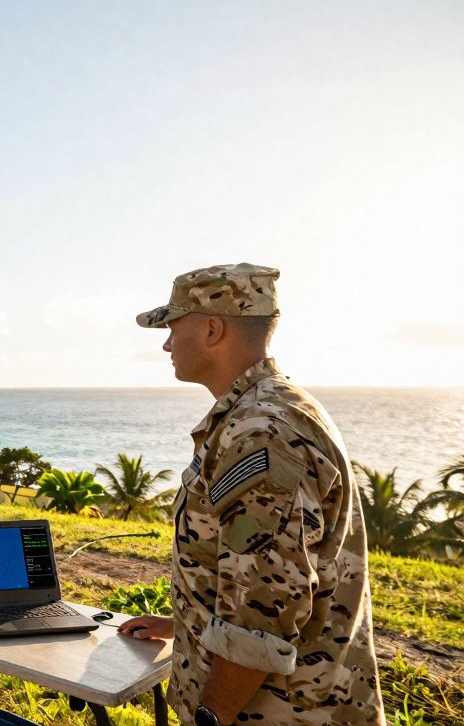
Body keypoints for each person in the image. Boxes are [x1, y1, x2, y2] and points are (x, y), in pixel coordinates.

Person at [117, 264, 384, 725]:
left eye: (172, 327)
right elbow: (253, 570)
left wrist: (211, 715)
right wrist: (185, 624)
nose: (165, 344)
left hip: (278, 711)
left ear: (212, 329)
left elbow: (264, 611)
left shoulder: (260, 431)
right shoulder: (266, 409)